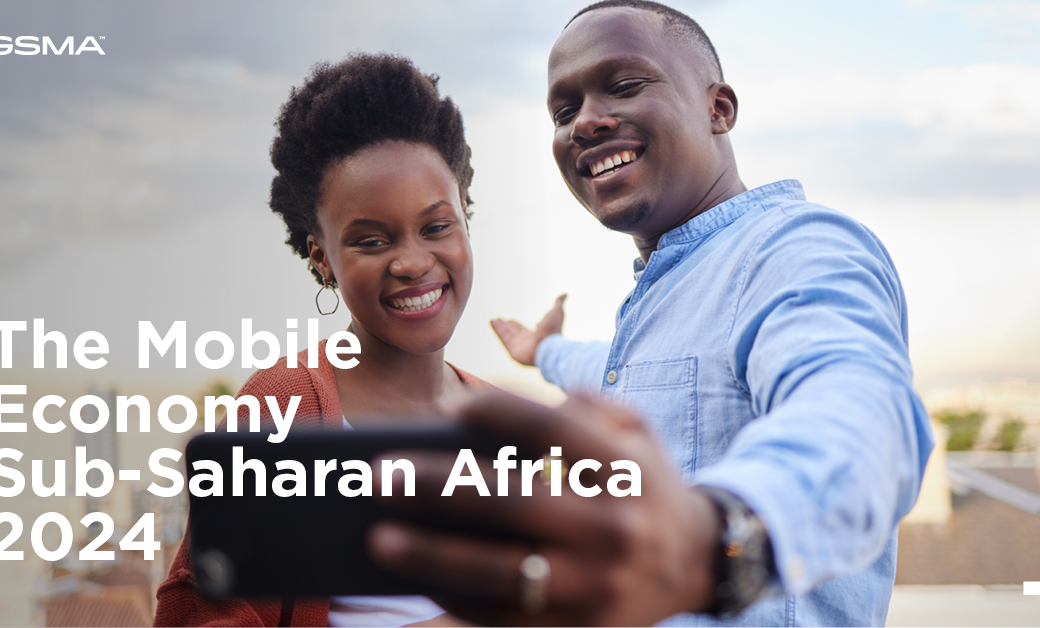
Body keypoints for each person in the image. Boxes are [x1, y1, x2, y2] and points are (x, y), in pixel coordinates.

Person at [363, 1, 935, 626]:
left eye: (625, 85)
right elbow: (623, 373)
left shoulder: (793, 247)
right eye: (563, 111)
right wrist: (543, 353)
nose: (585, 122)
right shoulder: (659, 298)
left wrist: (711, 540)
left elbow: (864, 423)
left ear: (719, 109)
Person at [153, 52, 483, 627]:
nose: (412, 261)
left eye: (436, 226)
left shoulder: (501, 420)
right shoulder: (280, 410)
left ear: (465, 219)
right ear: (321, 257)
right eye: (371, 241)